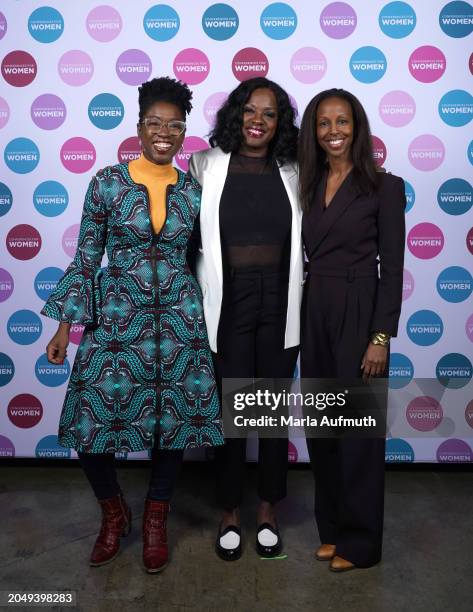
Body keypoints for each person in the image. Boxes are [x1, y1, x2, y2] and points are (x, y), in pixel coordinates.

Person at [42, 77, 223, 573]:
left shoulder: (192, 189)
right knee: (86, 424)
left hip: (180, 325)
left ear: (184, 131)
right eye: (155, 123)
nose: (165, 132)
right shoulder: (107, 181)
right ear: (139, 126)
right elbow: (85, 258)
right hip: (117, 322)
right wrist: (64, 328)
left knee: (174, 426)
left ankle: (156, 520)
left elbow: (207, 258)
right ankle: (113, 512)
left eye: (175, 125)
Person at [189, 77, 303, 560]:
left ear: (280, 123)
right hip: (228, 300)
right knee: (233, 411)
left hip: (280, 301)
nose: (259, 121)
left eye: (270, 113)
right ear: (237, 115)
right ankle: (230, 510)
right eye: (250, 111)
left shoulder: (297, 170)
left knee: (272, 410)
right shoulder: (203, 164)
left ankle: (268, 509)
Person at [298, 88, 405, 572]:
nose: (333, 131)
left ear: (357, 127)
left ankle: (361, 545)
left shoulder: (384, 186)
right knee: (323, 428)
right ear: (314, 131)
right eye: (324, 123)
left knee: (358, 435)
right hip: (315, 305)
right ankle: (334, 531)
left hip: (360, 309)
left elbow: (394, 268)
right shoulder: (308, 181)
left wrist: (380, 337)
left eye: (342, 121)